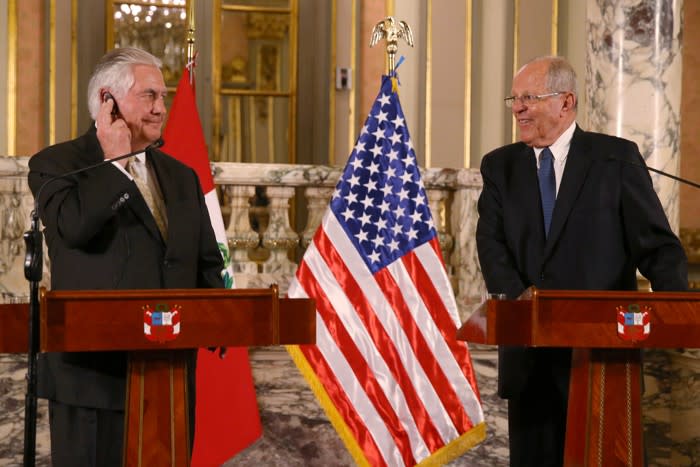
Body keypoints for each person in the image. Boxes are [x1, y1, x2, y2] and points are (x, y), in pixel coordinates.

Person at [475, 55, 688, 467]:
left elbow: (657, 246)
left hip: (602, 357)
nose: (517, 108)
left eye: (529, 98)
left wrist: (673, 307)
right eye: (514, 99)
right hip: (529, 353)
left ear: (565, 102)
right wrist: (523, 305)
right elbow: (491, 244)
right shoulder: (500, 166)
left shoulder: (616, 159)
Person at [28, 47, 225, 466]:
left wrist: (221, 316)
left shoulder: (181, 176)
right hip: (93, 381)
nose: (161, 109)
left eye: (163, 97)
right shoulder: (57, 165)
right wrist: (114, 162)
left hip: (168, 378)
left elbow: (206, 263)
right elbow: (74, 229)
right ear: (107, 102)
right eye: (149, 96)